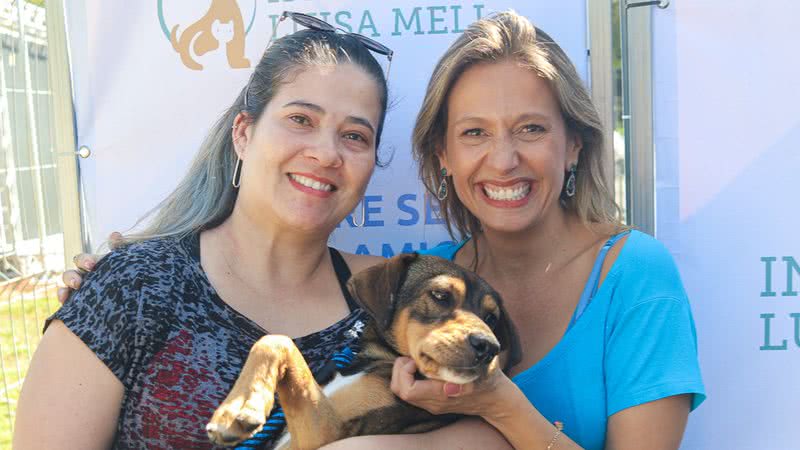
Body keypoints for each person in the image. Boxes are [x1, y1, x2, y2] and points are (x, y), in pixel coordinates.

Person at [49, 11, 706, 450]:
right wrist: (109, 280)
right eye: (474, 133)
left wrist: (497, 402)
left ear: (575, 146)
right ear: (442, 157)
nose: (504, 159)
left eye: (531, 128)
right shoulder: (424, 281)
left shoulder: (630, 275)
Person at [13, 18, 392, 449]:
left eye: (355, 136)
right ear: (244, 134)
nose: (326, 153)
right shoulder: (132, 286)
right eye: (301, 119)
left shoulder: (388, 305)